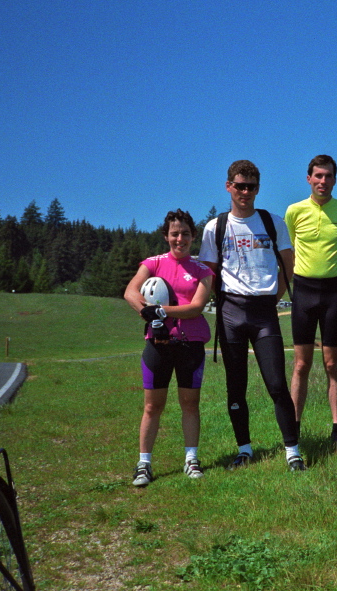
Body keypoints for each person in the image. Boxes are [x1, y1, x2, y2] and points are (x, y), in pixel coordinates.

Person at [199, 160, 306, 471]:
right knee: (236, 386)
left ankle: (293, 452)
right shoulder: (214, 227)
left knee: (276, 384)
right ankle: (244, 450)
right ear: (228, 186)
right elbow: (209, 274)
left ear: (259, 188)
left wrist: (273, 300)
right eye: (240, 185)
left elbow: (289, 267)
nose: (245, 192)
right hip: (230, 311)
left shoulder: (273, 223)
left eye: (252, 186)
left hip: (264, 313)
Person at [124, 209, 214, 487]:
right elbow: (130, 292)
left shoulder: (203, 271)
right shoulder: (152, 263)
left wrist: (160, 310)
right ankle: (144, 464)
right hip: (158, 345)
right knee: (152, 406)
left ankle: (191, 459)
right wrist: (145, 311)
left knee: (190, 404)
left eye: (185, 233)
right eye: (174, 233)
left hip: (190, 345)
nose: (180, 239)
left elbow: (196, 307)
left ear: (193, 236)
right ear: (166, 236)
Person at [284, 155, 337, 443]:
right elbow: (291, 249)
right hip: (303, 291)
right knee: (301, 365)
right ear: (308, 179)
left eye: (328, 176)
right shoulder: (294, 211)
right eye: (317, 176)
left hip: (333, 293)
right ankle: (294, 427)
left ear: (335, 180)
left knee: (332, 363)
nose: (322, 181)